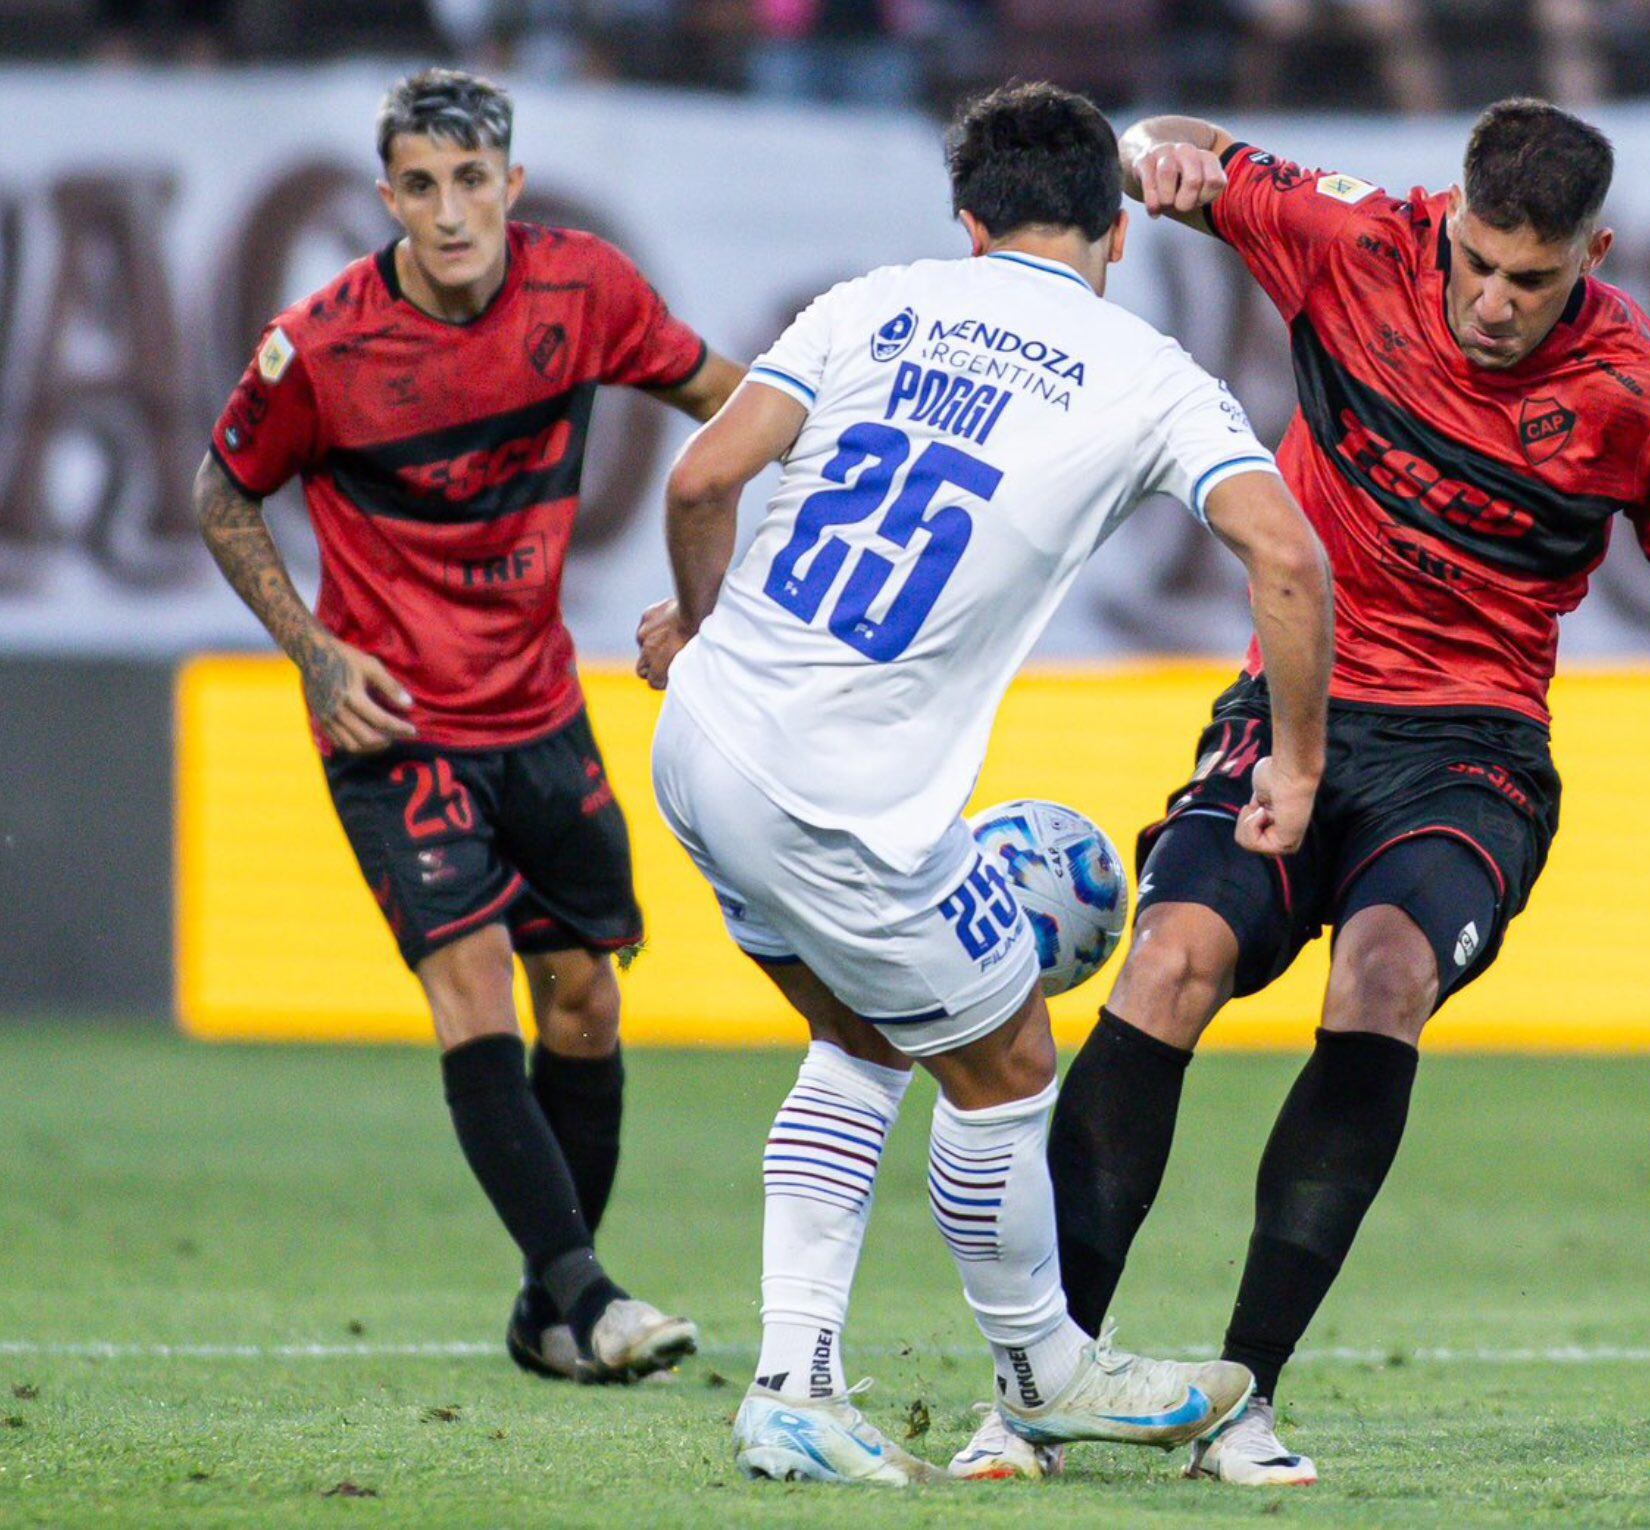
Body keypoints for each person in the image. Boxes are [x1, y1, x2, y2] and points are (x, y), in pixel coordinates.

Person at [999, 97, 1650, 1487]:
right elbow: (1154, 144)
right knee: (1174, 956)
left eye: (1535, 279)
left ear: (1596, 254)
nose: (1496, 302)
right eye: (1481, 263)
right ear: (1448, 214)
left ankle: (1241, 1396)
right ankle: (1037, 1384)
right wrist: (1154, 153)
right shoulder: (1352, 239)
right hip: (1292, 709)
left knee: (1379, 981)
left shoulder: (1641, 391)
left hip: (1473, 753)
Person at [635, 81, 1334, 1485]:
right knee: (1010, 1064)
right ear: (1116, 232)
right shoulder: (1147, 373)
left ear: (968, 223)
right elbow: (1291, 561)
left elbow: (703, 480)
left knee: (865, 1040)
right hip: (843, 800)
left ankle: (794, 1383)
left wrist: (704, 629)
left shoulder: (869, 303)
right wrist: (1301, 765)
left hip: (704, 748)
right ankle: (1045, 1366)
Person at [195, 68, 743, 1382]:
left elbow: (733, 404)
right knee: (471, 980)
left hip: (541, 708)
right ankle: (596, 1296)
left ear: (513, 184)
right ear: (386, 196)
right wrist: (314, 652)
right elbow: (224, 492)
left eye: (472, 181)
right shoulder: (319, 347)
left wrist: (718, 594)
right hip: (394, 721)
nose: (450, 212)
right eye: (421, 186)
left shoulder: (587, 290)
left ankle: (547, 1308)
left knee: (586, 1004)